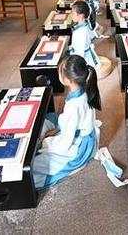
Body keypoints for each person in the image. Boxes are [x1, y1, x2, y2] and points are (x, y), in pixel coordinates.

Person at [32, 55, 101, 189]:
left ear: (67, 80)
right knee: (44, 124)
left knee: (35, 165)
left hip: (78, 146)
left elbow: (66, 141)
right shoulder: (84, 89)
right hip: (77, 134)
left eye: (59, 73)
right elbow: (69, 123)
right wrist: (56, 130)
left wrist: (47, 146)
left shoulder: (74, 106)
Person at [69, 0, 100, 71]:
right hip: (86, 52)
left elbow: (79, 54)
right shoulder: (86, 22)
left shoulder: (80, 32)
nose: (71, 15)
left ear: (81, 15)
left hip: (84, 58)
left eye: (73, 13)